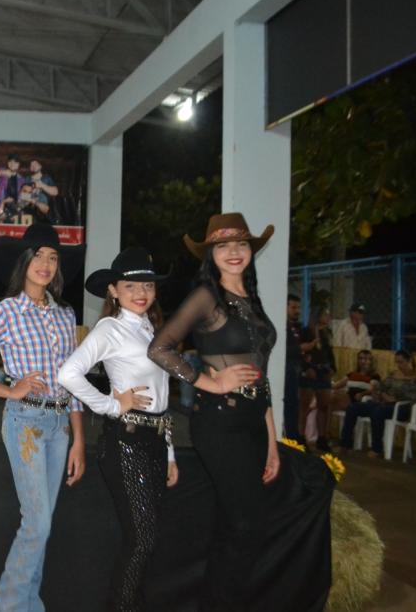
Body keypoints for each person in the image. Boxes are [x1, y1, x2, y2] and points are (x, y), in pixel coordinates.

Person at [0, 223, 86, 611]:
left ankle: (28, 606)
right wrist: (9, 390)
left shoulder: (65, 314)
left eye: (53, 257)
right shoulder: (6, 311)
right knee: (37, 523)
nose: (46, 264)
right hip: (26, 420)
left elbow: (72, 379)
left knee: (42, 527)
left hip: (60, 425)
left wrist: (79, 439)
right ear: (23, 262)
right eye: (38, 256)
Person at [147, 212, 279, 610]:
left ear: (250, 251)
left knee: (233, 526)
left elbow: (261, 376)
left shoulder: (252, 300)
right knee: (247, 525)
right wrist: (209, 381)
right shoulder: (207, 297)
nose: (233, 252)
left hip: (254, 422)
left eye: (241, 244)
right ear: (211, 254)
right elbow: (159, 348)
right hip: (220, 421)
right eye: (223, 245)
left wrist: (272, 441)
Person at [60, 247, 177, 611]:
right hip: (126, 443)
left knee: (147, 542)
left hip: (154, 442)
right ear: (113, 290)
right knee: (142, 541)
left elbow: (162, 395)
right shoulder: (110, 329)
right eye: (130, 286)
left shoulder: (151, 329)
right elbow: (68, 374)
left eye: (148, 285)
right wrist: (111, 405)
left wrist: (170, 452)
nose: (141, 292)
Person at [339, 350, 416, 457]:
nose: (398, 365)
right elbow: (380, 387)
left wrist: (394, 400)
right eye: (397, 362)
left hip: (401, 408)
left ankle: (377, 448)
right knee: (353, 407)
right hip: (384, 403)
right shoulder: (394, 374)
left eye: (401, 362)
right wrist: (380, 394)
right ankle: (345, 445)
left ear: (409, 361)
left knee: (377, 412)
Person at [300, 307, 335, 451]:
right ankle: (301, 438)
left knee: (324, 405)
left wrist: (332, 368)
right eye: (325, 314)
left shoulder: (327, 333)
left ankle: (322, 438)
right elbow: (301, 351)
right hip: (310, 371)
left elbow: (329, 352)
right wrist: (306, 367)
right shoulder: (306, 331)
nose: (328, 317)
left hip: (323, 371)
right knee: (304, 406)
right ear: (317, 315)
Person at [283, 294, 305, 441]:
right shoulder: (282, 326)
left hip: (295, 371)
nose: (297, 311)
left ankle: (294, 436)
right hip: (287, 371)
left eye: (298, 308)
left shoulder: (296, 327)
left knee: (295, 405)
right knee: (290, 405)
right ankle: (291, 438)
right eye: (293, 307)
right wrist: (300, 349)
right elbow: (282, 350)